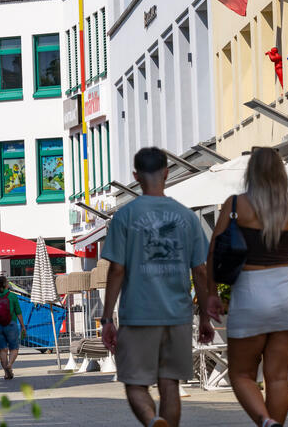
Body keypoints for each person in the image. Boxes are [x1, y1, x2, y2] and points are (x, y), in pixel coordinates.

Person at [100, 147, 214, 427]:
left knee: (135, 384)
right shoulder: (187, 217)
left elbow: (117, 269)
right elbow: (200, 270)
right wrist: (205, 319)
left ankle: (152, 421)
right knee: (170, 385)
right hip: (177, 315)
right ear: (166, 172)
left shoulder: (124, 217)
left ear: (135, 176)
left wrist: (106, 318)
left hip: (139, 315)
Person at [205, 147, 288, 427]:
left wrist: (212, 294)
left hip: (249, 292)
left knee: (241, 374)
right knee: (278, 377)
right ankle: (272, 423)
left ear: (251, 172)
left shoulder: (235, 205)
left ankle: (266, 422)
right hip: (285, 291)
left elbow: (214, 253)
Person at [0, 275, 25, 380]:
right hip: (10, 325)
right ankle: (9, 365)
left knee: (2, 350)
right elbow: (18, 312)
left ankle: (6, 373)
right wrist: (22, 326)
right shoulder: (12, 296)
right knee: (14, 348)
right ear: (7, 284)